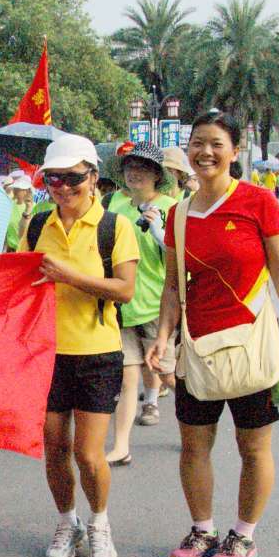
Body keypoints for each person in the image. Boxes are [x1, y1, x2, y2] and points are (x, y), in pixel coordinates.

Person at [146, 110, 279, 557]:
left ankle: (244, 536)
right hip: (196, 348)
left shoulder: (257, 202)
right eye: (197, 143)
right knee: (193, 447)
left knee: (253, 447)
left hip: (250, 345)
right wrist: (163, 337)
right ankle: (202, 529)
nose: (205, 152)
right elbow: (172, 284)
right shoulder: (179, 215)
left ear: (234, 150)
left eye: (216, 143)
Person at [18, 135, 138, 557]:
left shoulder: (115, 227)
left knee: (88, 453)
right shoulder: (37, 226)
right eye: (54, 179)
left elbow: (124, 290)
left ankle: (99, 523)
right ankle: (67, 522)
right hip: (46, 353)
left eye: (73, 178)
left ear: (93, 177)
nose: (64, 187)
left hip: (97, 353)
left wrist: (68, 276)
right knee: (54, 449)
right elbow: (19, 282)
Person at [104, 142, 177, 467]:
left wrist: (160, 232)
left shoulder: (171, 208)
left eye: (143, 168)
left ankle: (198, 424)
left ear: (157, 175)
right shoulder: (114, 203)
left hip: (155, 306)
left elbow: (180, 256)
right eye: (131, 166)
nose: (135, 172)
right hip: (121, 304)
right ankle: (121, 446)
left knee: (167, 373)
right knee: (126, 377)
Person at [5, 177, 35, 252]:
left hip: (25, 250)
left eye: (18, 189)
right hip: (11, 250)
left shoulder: (33, 207)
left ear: (26, 191)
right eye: (15, 188)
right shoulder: (9, 205)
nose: (15, 190)